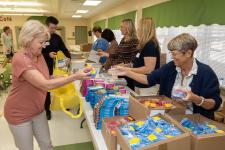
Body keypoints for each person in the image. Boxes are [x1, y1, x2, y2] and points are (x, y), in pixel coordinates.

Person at [4, 20, 91, 150]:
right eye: (41, 42)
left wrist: (55, 77)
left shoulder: (39, 56)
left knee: (47, 145)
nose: (44, 45)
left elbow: (43, 77)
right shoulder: (20, 58)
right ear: (28, 40)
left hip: (38, 110)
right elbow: (44, 85)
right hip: (19, 114)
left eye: (44, 42)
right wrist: (75, 77)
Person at [111, 33, 222, 119]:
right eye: (171, 53)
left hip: (196, 123)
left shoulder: (206, 73)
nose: (172, 57)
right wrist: (127, 72)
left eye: (174, 54)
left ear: (188, 53)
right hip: (170, 118)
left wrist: (195, 98)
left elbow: (214, 104)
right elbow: (148, 79)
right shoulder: (171, 67)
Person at [42, 16, 71, 120]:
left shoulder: (57, 38)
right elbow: (37, 53)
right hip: (45, 66)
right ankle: (47, 110)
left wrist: (68, 58)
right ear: (46, 26)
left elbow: (64, 49)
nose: (53, 30)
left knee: (62, 84)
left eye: (55, 28)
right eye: (52, 27)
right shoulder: (41, 37)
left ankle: (64, 104)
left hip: (59, 66)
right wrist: (47, 54)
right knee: (47, 89)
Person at [129, 18, 161, 93]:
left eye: (139, 27)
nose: (137, 30)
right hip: (140, 83)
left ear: (144, 29)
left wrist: (129, 70)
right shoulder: (144, 44)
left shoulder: (150, 45)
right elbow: (140, 62)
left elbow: (149, 69)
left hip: (148, 86)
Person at [114, 19, 139, 90]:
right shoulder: (123, 39)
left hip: (128, 73)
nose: (120, 29)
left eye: (122, 27)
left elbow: (134, 59)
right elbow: (118, 54)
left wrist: (123, 64)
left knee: (128, 92)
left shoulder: (134, 40)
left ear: (128, 28)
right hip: (120, 70)